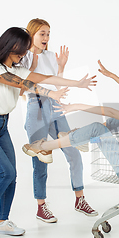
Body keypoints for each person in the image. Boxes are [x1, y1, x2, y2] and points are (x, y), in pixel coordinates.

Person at [0, 27, 96, 238]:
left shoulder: (17, 69)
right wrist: (50, 92)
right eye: (20, 49)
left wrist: (77, 83)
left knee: (12, 176)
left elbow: (44, 77)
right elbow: (21, 84)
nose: (23, 53)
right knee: (6, 173)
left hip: (1, 127)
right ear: (10, 46)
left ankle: (2, 222)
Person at [21, 18, 97, 221]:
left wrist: (61, 66)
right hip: (36, 108)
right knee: (41, 158)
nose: (46, 38)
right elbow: (26, 83)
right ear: (32, 35)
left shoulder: (51, 56)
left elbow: (56, 83)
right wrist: (34, 56)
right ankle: (41, 206)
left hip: (54, 107)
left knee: (73, 152)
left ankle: (80, 199)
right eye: (42, 34)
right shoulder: (24, 57)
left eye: (48, 33)